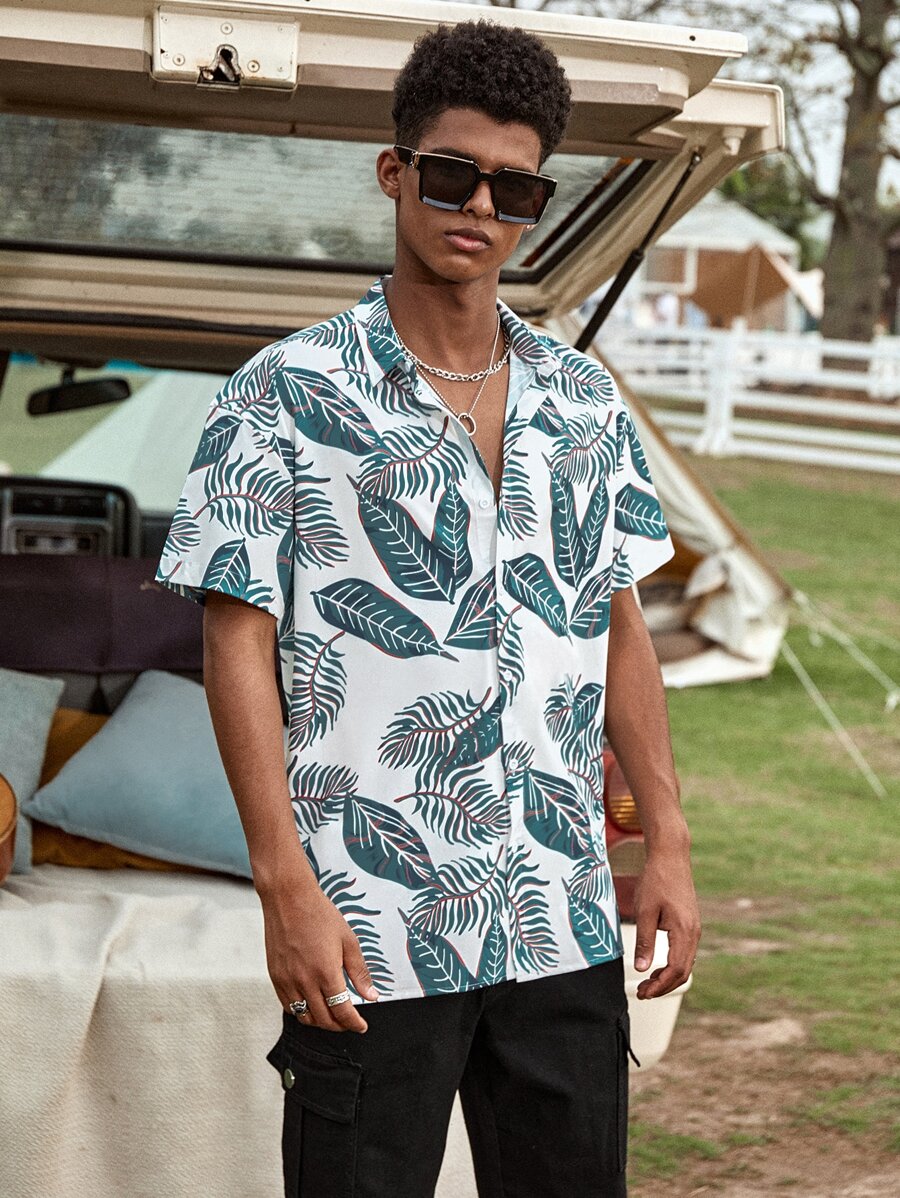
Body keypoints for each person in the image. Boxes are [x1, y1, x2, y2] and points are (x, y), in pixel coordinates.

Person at [155, 18, 700, 1198]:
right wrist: (284, 885)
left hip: (560, 913)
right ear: (395, 172)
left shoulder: (585, 399)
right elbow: (235, 642)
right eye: (453, 174)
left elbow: (617, 627)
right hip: (370, 924)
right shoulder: (283, 394)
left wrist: (667, 841)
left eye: (516, 187)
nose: (482, 206)